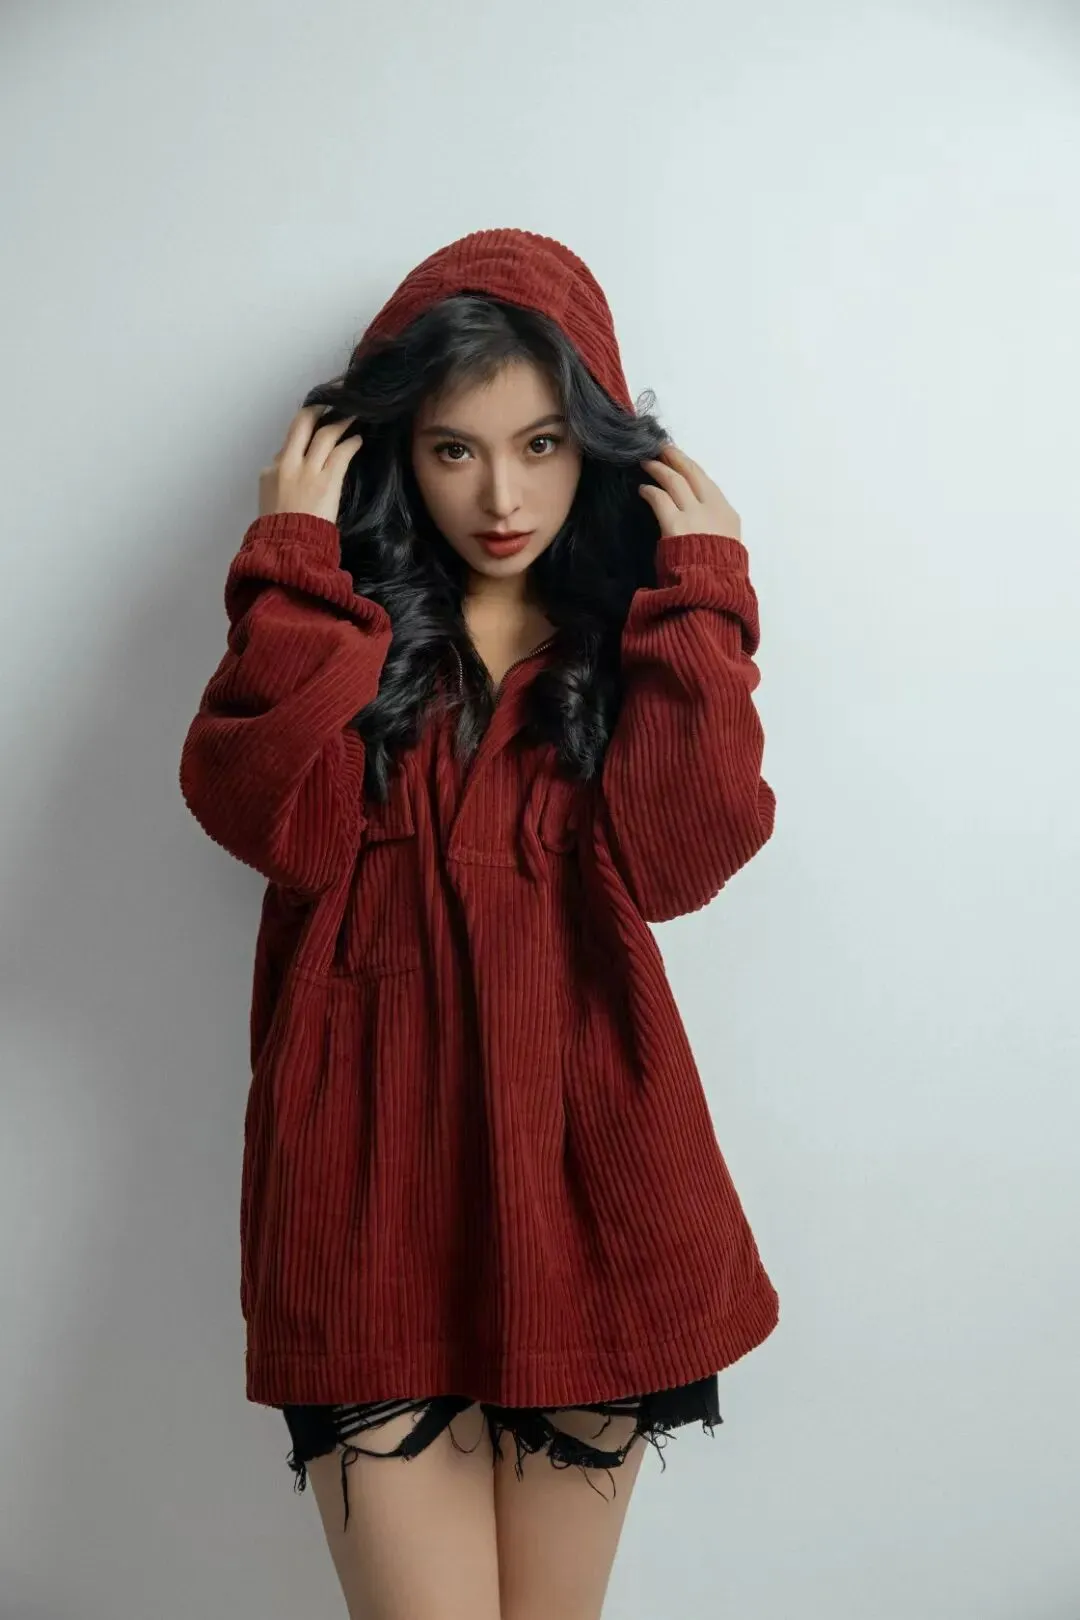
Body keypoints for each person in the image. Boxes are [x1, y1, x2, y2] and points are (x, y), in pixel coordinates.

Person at [179, 227, 780, 1620]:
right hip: (367, 1204)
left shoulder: (626, 645)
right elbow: (270, 822)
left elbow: (682, 859)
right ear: (395, 448)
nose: (503, 497)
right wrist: (292, 563)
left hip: (591, 1198)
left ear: (598, 448)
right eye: (456, 450)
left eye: (542, 446)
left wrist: (703, 591)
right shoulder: (343, 637)